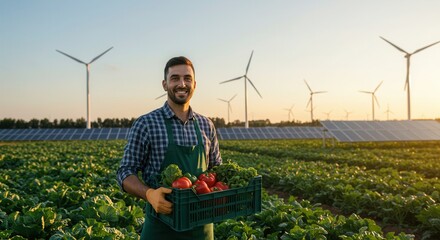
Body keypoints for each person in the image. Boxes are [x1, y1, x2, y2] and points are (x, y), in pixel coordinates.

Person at [117, 56, 222, 240]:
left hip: (202, 229)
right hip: (160, 228)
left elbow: (217, 170)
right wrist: (149, 194)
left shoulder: (207, 125)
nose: (182, 84)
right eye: (175, 78)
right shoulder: (146, 124)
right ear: (165, 84)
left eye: (187, 78)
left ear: (195, 84)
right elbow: (125, 172)